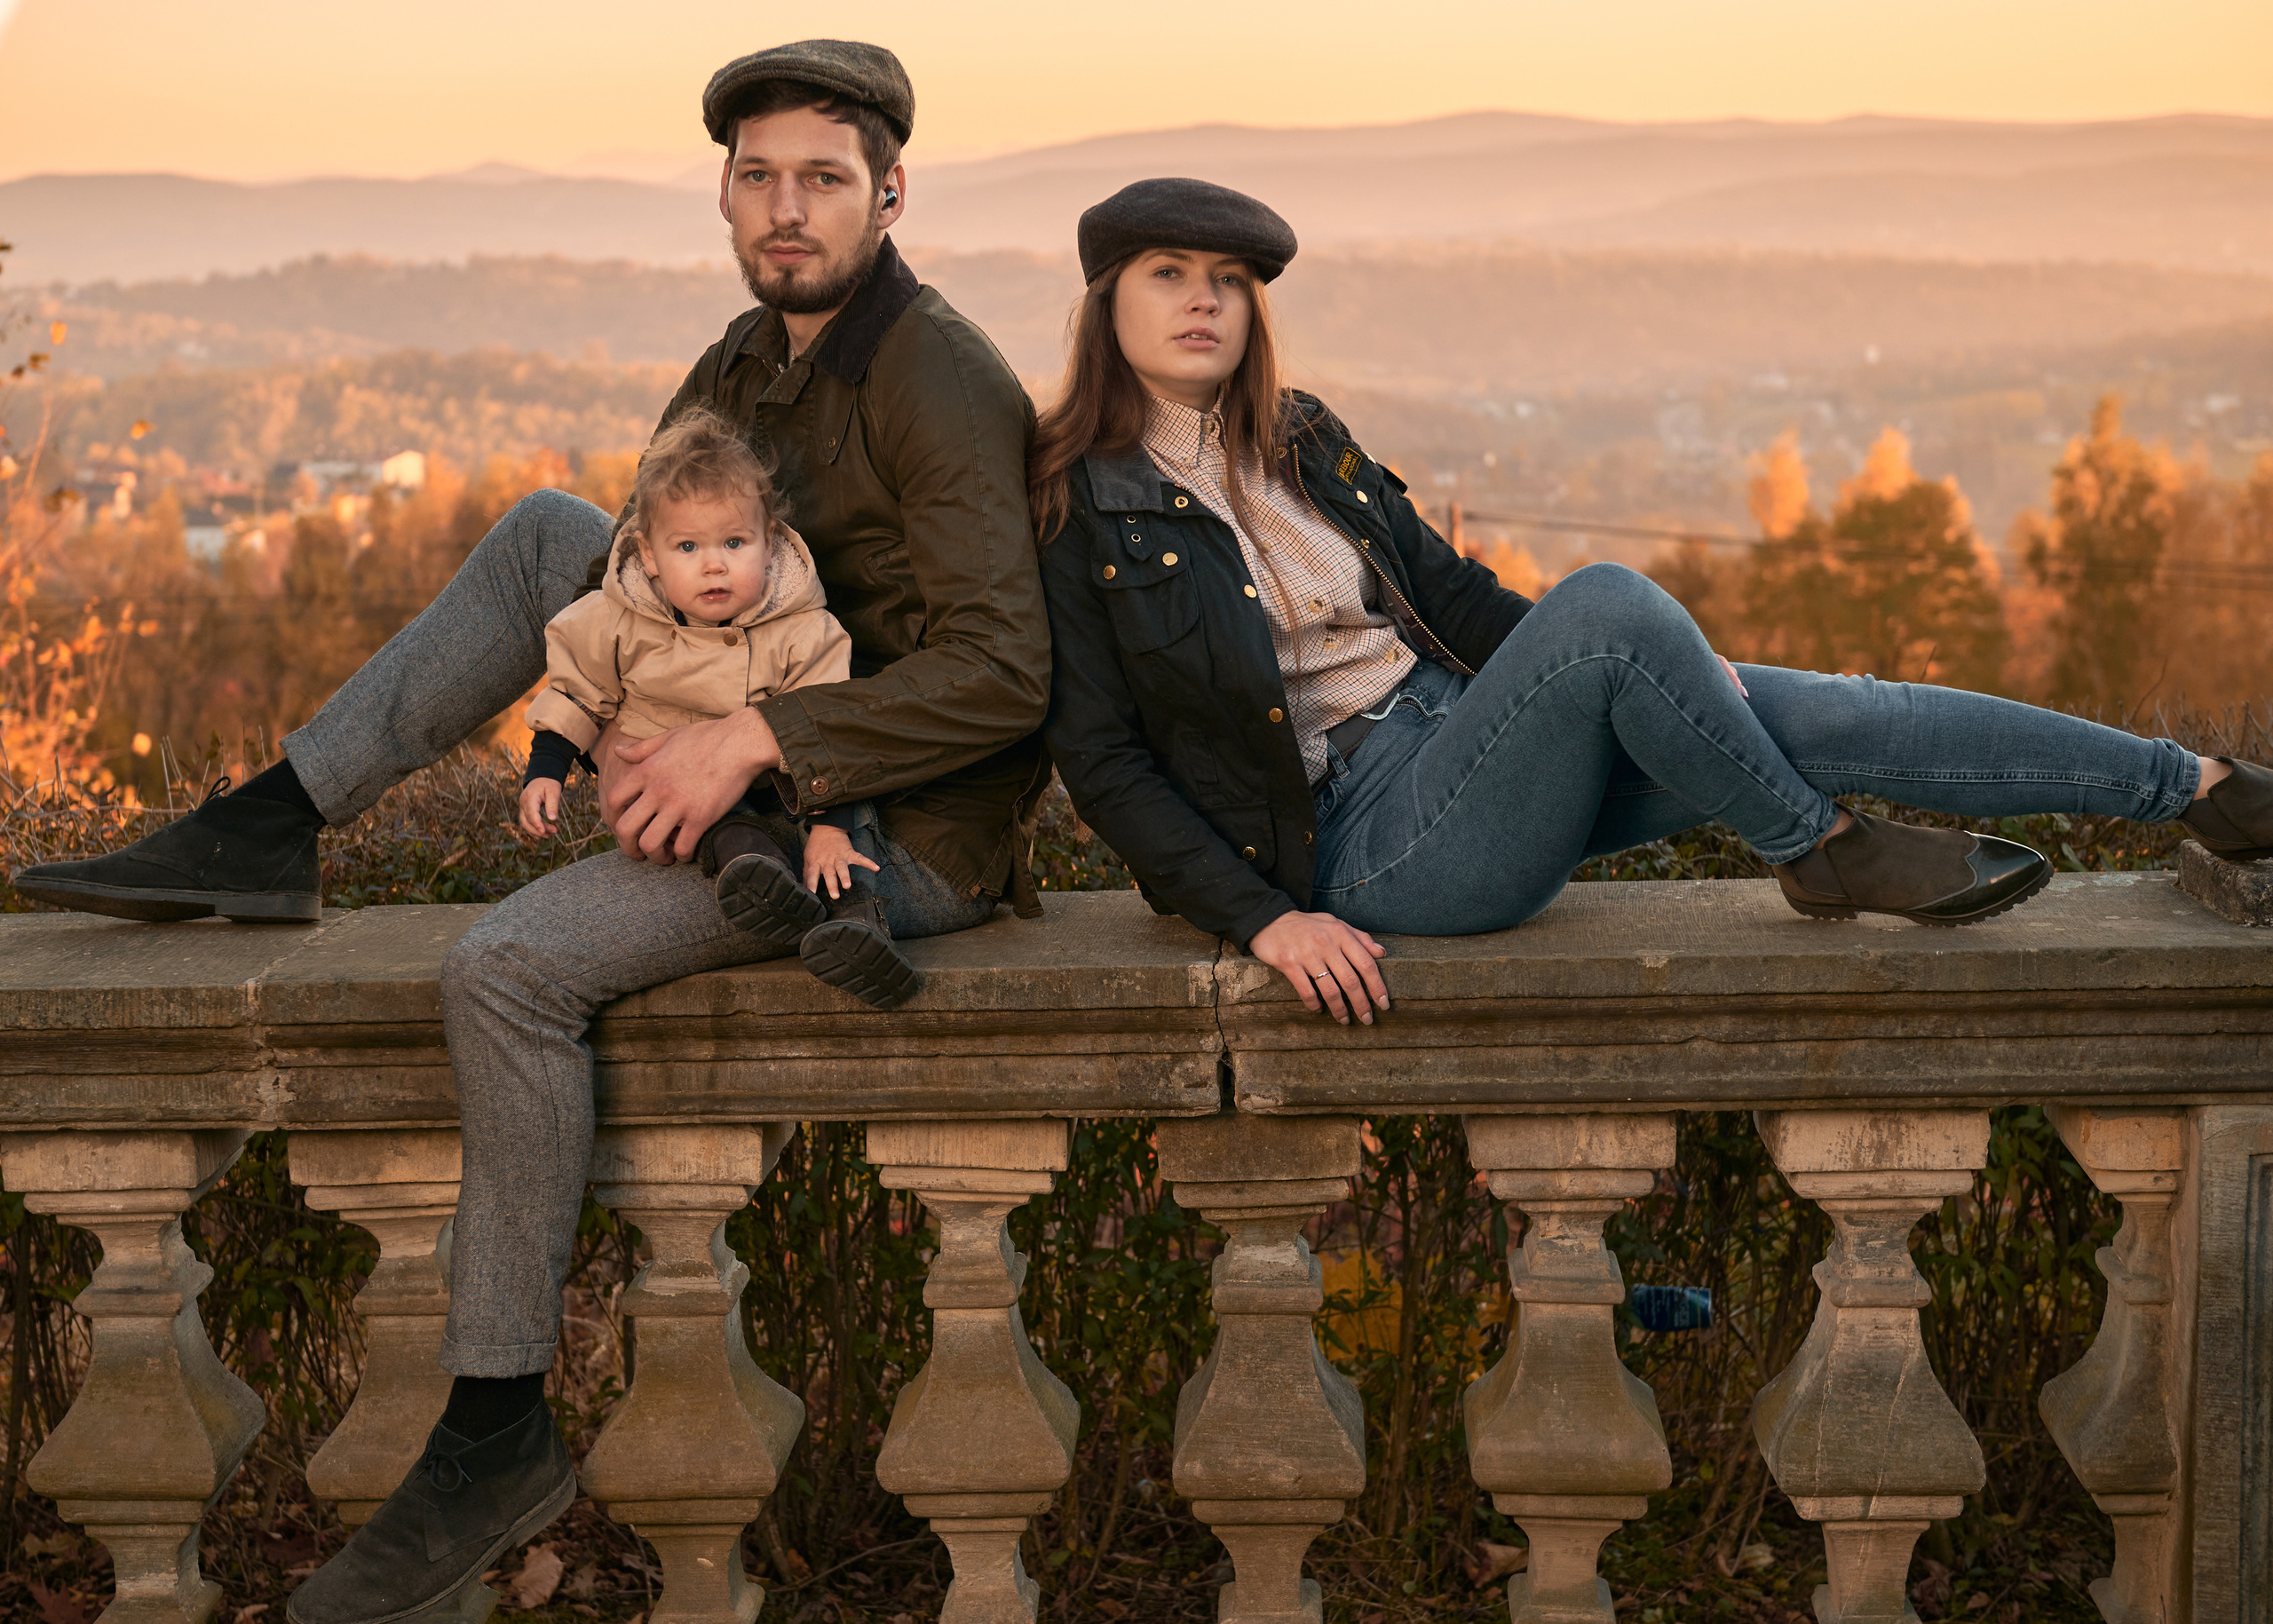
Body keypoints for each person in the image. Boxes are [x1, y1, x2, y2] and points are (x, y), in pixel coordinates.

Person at [12, 41, 1051, 1624]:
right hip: (739, 751)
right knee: (548, 539)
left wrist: (753, 738)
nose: (788, 207)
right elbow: (645, 575)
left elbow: (1005, 672)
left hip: (886, 830)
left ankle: (497, 1425)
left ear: (890, 193)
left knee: (503, 968)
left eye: (824, 178)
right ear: (722, 192)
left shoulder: (940, 376)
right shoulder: (741, 364)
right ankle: (268, 824)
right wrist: (631, 716)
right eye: (759, 176)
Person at [1031, 178, 2273, 1027]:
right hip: (1371, 845)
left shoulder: (1299, 438)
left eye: (1232, 279)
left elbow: (1460, 603)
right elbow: (1104, 763)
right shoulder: (1070, 504)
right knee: (1617, 599)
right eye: (1169, 273)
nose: (1207, 299)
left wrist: (1661, 665)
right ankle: (1819, 851)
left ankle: (2202, 791)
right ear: (1110, 300)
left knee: (1827, 708)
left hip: (1468, 739)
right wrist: (1263, 925)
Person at [519, 404, 923, 1004]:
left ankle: (858, 926)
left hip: (792, 790)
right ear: (648, 555)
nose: (714, 564)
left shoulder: (800, 628)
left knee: (848, 839)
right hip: (688, 802)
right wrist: (545, 770)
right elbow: (577, 685)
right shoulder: (620, 619)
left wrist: (830, 825)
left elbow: (832, 730)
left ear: (769, 544)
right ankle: (757, 883)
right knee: (724, 832)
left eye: (734, 541)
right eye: (687, 546)